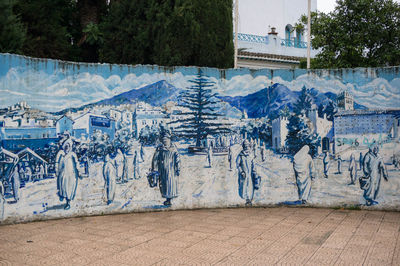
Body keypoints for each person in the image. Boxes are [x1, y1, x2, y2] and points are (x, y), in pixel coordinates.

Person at [151, 132, 180, 207]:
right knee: (164, 185)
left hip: (171, 170)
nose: (165, 141)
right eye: (163, 140)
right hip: (162, 170)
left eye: (166, 139)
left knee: (171, 184)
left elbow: (177, 158)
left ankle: (169, 199)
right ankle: (167, 199)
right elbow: (155, 159)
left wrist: (178, 168)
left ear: (169, 139)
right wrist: (154, 169)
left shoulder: (173, 148)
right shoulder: (160, 148)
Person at [57, 140, 81, 210]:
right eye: (66, 146)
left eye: (68, 146)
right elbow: (58, 163)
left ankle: (68, 202)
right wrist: (57, 170)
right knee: (63, 187)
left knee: (69, 189)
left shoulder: (72, 154)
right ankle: (62, 196)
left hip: (71, 175)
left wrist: (79, 171)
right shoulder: (61, 154)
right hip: (63, 174)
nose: (67, 147)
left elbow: (77, 163)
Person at [236, 140, 259, 206]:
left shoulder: (251, 155)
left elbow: (253, 164)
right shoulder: (240, 155)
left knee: (250, 186)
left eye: (247, 146)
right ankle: (246, 199)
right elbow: (238, 165)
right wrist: (241, 172)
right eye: (245, 146)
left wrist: (254, 172)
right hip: (243, 175)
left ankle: (249, 200)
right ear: (243, 147)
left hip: (250, 174)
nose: (246, 147)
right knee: (243, 187)